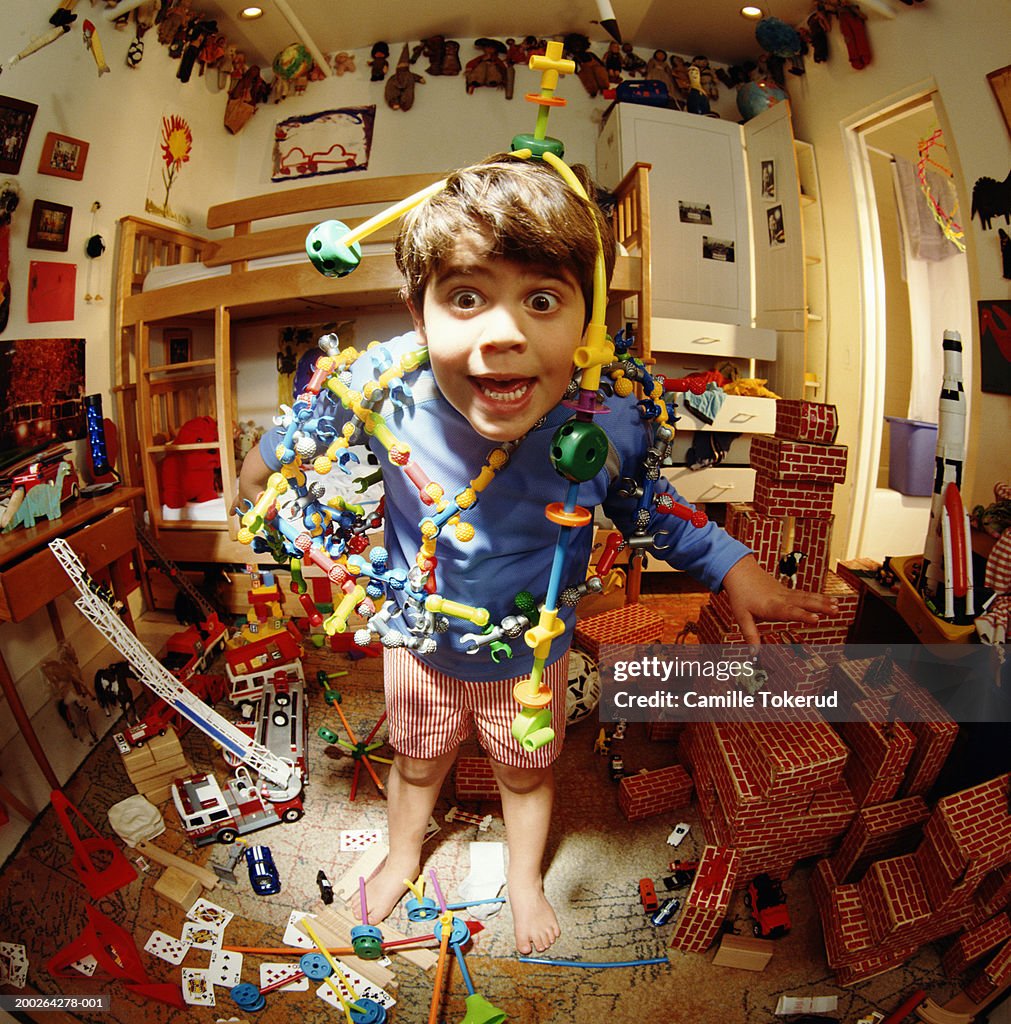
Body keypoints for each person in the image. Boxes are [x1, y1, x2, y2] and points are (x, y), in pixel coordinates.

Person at [240, 154, 837, 955]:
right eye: (465, 296)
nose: (505, 332)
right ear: (418, 318)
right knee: (417, 765)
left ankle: (524, 880)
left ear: (587, 322)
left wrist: (733, 565)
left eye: (543, 298)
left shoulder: (612, 420)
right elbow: (301, 433)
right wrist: (258, 475)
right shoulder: (386, 389)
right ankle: (401, 854)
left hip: (532, 657)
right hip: (419, 646)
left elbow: (649, 508)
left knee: (524, 773)